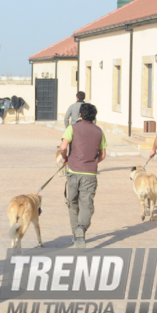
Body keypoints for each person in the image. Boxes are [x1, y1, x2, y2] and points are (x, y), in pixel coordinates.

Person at [60, 103, 106, 248]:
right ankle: (81, 228)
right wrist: (93, 161)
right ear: (94, 116)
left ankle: (75, 234)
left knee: (72, 203)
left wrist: (65, 158)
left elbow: (63, 147)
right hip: (89, 174)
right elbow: (103, 155)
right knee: (86, 204)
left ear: (79, 114)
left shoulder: (72, 128)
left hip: (73, 172)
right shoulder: (99, 131)